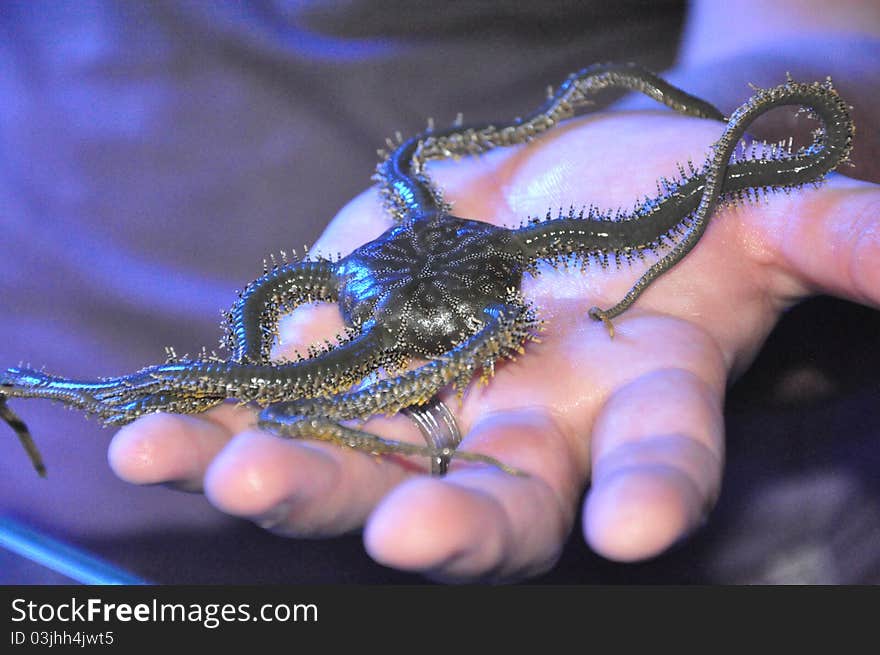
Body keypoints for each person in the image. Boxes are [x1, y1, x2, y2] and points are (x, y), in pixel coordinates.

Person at [2, 0, 878, 583]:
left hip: (657, 502)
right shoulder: (376, 267)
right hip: (51, 486)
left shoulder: (491, 275)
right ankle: (38, 390)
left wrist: (697, 123)